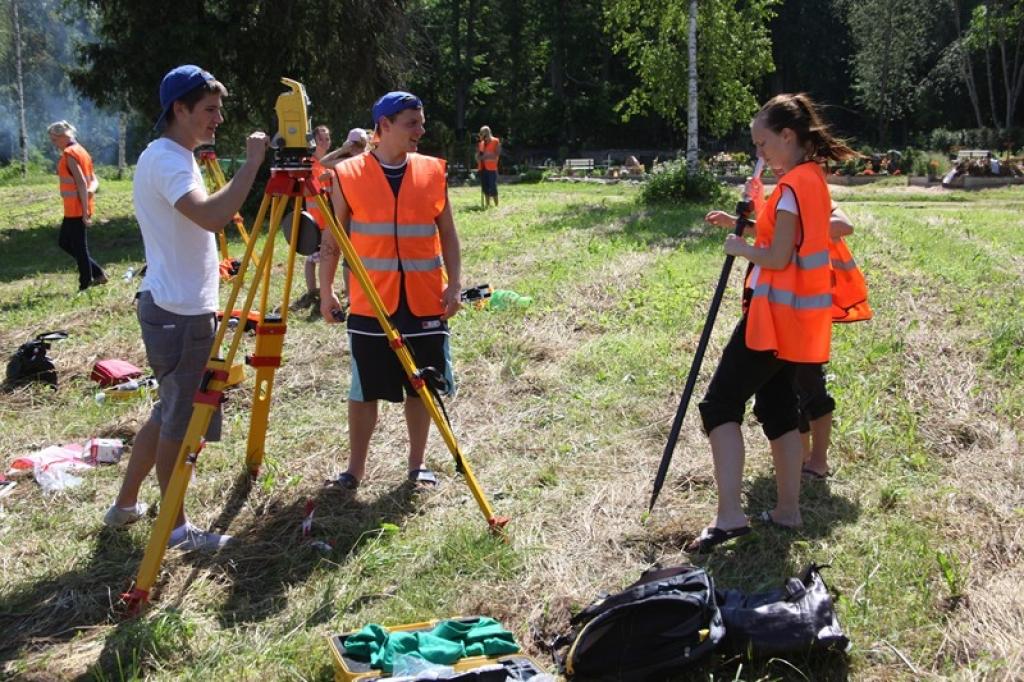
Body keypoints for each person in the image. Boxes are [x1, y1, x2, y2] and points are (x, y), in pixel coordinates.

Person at [103, 65, 267, 553]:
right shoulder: (169, 160)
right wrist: (252, 164)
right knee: (179, 422)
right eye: (209, 110)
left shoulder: (174, 155)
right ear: (180, 109)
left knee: (167, 410)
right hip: (178, 314)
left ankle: (125, 504)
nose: (218, 119)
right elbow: (214, 215)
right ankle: (175, 529)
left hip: (176, 307)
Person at [687, 93, 857, 554]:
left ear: (788, 136)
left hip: (771, 320)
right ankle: (787, 510)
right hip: (801, 323)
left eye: (763, 144)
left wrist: (740, 248)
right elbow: (791, 236)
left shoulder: (791, 189)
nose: (759, 154)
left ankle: (729, 517)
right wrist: (747, 218)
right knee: (779, 408)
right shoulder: (812, 181)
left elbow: (779, 255)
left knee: (719, 406)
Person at [319, 91, 462, 491]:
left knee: (423, 385)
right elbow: (332, 239)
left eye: (421, 121)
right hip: (370, 301)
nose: (421, 130)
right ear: (383, 126)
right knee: (364, 389)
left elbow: (447, 233)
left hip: (424, 299)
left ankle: (417, 466)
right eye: (411, 123)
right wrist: (326, 291)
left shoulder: (433, 171)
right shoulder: (348, 175)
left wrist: (455, 283)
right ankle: (355, 471)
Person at [48, 120, 106, 292]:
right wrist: (90, 193)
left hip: (76, 209)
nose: (54, 143)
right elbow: (94, 181)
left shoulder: (70, 153)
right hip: (75, 208)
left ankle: (85, 284)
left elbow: (81, 183)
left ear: (63, 136)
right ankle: (97, 273)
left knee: (79, 248)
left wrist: (85, 212)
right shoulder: (81, 151)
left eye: (54, 139)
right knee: (64, 242)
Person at [290, 124, 332, 313]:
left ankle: (322, 291)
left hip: (330, 218)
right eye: (321, 138)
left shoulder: (331, 161)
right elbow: (304, 190)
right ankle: (313, 291)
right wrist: (322, 179)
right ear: (314, 140)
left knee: (326, 257)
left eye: (327, 138)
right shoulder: (309, 162)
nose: (325, 142)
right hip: (315, 219)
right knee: (312, 258)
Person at [476, 125, 501, 208]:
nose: (482, 135)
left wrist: (485, 156)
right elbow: (479, 156)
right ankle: (487, 205)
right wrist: (479, 157)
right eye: (481, 134)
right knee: (485, 186)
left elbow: (496, 155)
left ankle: (497, 205)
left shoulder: (496, 141)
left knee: (493, 186)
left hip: (492, 168)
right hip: (483, 168)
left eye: (483, 133)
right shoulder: (481, 144)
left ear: (488, 132)